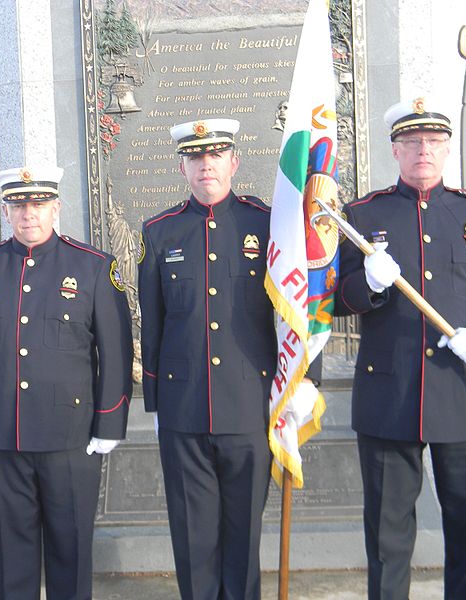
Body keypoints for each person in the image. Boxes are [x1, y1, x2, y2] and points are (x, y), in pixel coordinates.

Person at [138, 119, 319, 600]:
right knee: (193, 544)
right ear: (183, 168)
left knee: (243, 539)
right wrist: (156, 404)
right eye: (196, 158)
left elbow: (297, 308)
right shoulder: (160, 232)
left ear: (233, 162)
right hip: (185, 411)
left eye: (215, 156)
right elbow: (152, 325)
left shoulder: (267, 223)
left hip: (249, 409)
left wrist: (304, 380)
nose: (206, 166)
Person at [0, 166, 133, 600]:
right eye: (19, 204)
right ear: (6, 211)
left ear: (56, 207)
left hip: (71, 441)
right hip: (2, 439)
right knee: (9, 561)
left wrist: (109, 425)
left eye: (39, 203)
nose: (29, 214)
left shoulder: (93, 267)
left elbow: (115, 352)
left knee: (71, 555)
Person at [336, 96, 466, 599]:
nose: (423, 151)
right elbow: (337, 301)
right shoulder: (363, 215)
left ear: (447, 149)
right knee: (388, 541)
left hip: (463, 394)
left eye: (432, 142)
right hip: (390, 398)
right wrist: (369, 283)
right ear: (395, 150)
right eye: (412, 142)